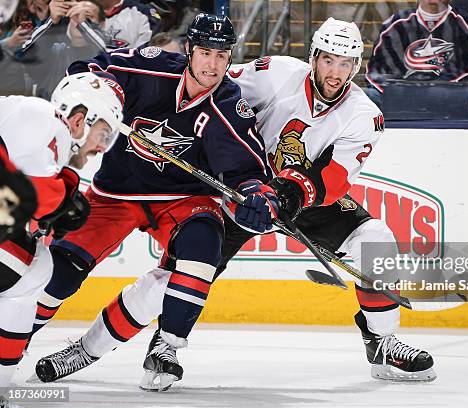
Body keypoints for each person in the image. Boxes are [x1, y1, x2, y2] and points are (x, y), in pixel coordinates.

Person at [35, 17, 436, 390]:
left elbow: (333, 179)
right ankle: (119, 348)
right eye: (327, 59)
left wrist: (285, 195)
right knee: (176, 277)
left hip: (300, 197)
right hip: (241, 191)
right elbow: (217, 95)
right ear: (312, 57)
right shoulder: (274, 73)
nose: (335, 71)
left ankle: (382, 344)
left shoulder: (365, 115)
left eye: (345, 63)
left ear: (356, 66)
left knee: (375, 239)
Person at [31, 13, 275, 391]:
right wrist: (104, 87)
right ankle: (14, 336)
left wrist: (259, 198)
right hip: (116, 192)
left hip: (185, 199)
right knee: (61, 270)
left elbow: (250, 171)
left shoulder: (229, 105)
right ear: (190, 50)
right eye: (206, 52)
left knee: (203, 247)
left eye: (222, 55)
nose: (213, 64)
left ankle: (166, 348)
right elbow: (91, 69)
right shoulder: (152, 67)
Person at [0, 72, 123, 406]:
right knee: (32, 266)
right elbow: (27, 197)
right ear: (80, 120)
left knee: (31, 261)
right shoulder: (43, 118)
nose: (101, 148)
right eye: (103, 135)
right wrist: (62, 193)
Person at [365, 0, 468, 104]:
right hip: (402, 96)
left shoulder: (467, 24)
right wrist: (399, 93)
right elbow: (376, 71)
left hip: (449, 97)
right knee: (368, 95)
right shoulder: (395, 23)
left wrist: (442, 90)